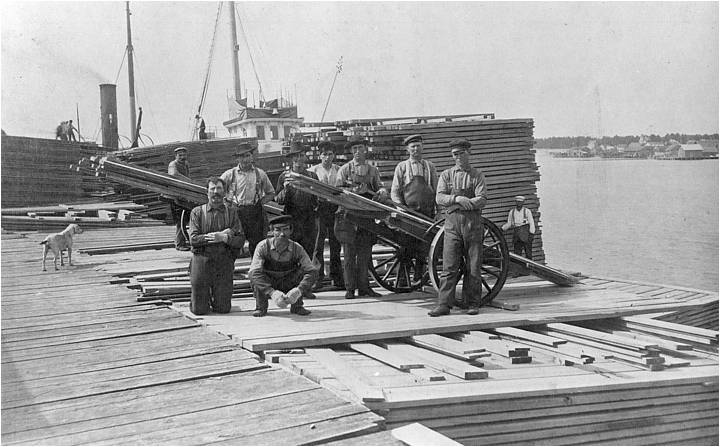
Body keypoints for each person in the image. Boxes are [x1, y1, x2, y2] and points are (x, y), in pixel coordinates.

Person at [429, 138, 488, 317]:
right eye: (455, 155)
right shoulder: (446, 175)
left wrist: (464, 202)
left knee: (473, 266)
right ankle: (444, 305)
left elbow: (482, 199)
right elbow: (439, 197)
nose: (458, 157)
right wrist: (457, 199)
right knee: (449, 266)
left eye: (461, 153)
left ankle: (472, 303)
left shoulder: (477, 175)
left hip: (473, 225)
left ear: (468, 153)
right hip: (452, 225)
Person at [335, 134, 389, 299]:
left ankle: (365, 288)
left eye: (360, 148)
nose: (357, 152)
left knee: (365, 254)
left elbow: (379, 187)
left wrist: (382, 191)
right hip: (348, 217)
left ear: (365, 150)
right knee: (349, 256)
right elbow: (337, 192)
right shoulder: (344, 170)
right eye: (354, 149)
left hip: (366, 218)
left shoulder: (373, 170)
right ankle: (350, 289)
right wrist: (352, 191)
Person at [188, 177, 245, 315]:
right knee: (199, 311)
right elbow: (194, 239)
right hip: (202, 259)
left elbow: (240, 240)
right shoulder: (197, 212)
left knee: (223, 309)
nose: (216, 192)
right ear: (207, 192)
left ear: (224, 192)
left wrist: (225, 238)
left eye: (219, 189)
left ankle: (217, 298)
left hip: (223, 260)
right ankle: (199, 300)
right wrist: (217, 236)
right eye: (212, 189)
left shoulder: (231, 212)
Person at [390, 134, 438, 282]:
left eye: (418, 146)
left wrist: (439, 212)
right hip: (408, 214)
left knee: (424, 247)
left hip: (427, 214)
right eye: (413, 147)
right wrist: (401, 208)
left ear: (422, 147)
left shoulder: (430, 167)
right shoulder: (402, 167)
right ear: (407, 149)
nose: (416, 149)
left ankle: (421, 276)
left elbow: (436, 191)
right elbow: (395, 191)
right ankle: (404, 278)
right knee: (406, 245)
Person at [248, 215, 317, 317]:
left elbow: (311, 271)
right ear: (271, 231)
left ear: (291, 231)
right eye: (277, 230)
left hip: (288, 281)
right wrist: (272, 293)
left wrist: (299, 290)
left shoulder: (297, 248)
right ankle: (261, 307)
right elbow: (254, 273)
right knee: (257, 276)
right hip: (269, 282)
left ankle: (297, 306)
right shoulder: (262, 246)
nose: (282, 234)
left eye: (285, 229)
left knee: (302, 272)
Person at [221, 142, 275, 256]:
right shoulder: (229, 174)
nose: (245, 159)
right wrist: (227, 204)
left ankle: (256, 269)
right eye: (241, 156)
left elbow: (271, 193)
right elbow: (217, 189)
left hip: (254, 213)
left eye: (247, 155)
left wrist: (260, 203)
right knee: (233, 242)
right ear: (237, 159)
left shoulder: (260, 174)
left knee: (257, 244)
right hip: (236, 212)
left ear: (252, 156)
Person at [307, 140, 344, 291]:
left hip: (335, 209)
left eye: (330, 154)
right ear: (320, 155)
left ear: (334, 155)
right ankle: (317, 278)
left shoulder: (339, 170)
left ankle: (337, 277)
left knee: (336, 244)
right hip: (320, 210)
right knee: (318, 245)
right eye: (324, 154)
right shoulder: (313, 171)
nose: (327, 157)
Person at [276, 141, 319, 258]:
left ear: (305, 157)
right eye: (295, 156)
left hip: (308, 220)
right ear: (291, 158)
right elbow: (278, 200)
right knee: (291, 254)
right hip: (292, 219)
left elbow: (318, 200)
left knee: (308, 253)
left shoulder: (312, 176)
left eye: (301, 155)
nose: (298, 159)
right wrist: (286, 188)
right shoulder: (284, 176)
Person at [168, 146, 192, 251]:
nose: (182, 157)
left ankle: (184, 241)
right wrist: (187, 181)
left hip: (185, 195)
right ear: (176, 156)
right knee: (180, 221)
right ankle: (179, 244)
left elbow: (188, 175)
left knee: (185, 219)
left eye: (184, 155)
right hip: (176, 195)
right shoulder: (173, 164)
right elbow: (174, 174)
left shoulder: (185, 164)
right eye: (180, 155)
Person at [502, 195, 536, 259]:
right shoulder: (512, 212)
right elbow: (509, 223)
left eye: (520, 202)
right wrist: (502, 229)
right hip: (517, 234)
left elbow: (531, 223)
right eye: (517, 202)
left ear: (523, 202)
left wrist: (531, 234)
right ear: (516, 202)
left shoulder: (527, 211)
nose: (519, 203)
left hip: (526, 233)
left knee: (528, 253)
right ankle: (519, 267)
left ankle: (529, 267)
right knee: (517, 253)